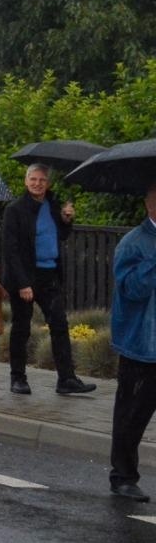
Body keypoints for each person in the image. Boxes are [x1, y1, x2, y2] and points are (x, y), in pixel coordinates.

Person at [3, 165, 95, 395]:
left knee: (60, 325)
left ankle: (66, 379)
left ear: (48, 183)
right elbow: (10, 250)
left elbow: (60, 236)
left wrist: (66, 220)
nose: (37, 183)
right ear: (26, 182)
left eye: (42, 180)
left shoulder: (53, 205)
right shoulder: (15, 209)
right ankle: (18, 378)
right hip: (24, 276)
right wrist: (23, 283)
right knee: (21, 328)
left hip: (49, 274)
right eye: (33, 179)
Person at [109, 183, 156, 502]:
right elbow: (131, 290)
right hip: (141, 344)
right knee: (132, 413)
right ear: (148, 203)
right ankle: (123, 476)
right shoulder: (133, 243)